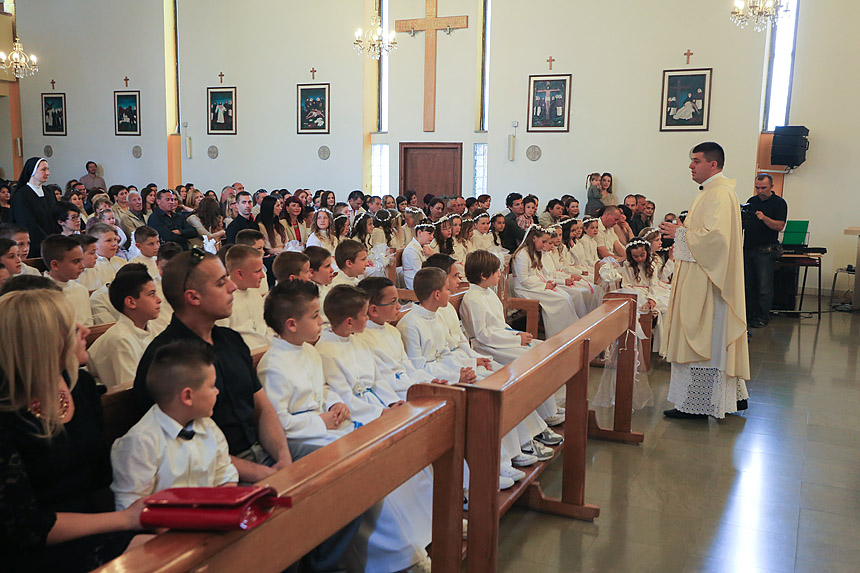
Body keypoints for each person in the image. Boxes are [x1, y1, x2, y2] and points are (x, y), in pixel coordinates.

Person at [0, 290, 142, 571]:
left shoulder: (80, 385)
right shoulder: (7, 416)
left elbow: (102, 476)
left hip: (99, 523)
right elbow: (26, 527)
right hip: (37, 549)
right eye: (72, 326)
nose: (85, 330)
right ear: (44, 342)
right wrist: (126, 521)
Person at [301, 283, 435, 572]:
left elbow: (377, 383)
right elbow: (344, 398)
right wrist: (379, 414)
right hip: (354, 420)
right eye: (364, 314)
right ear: (350, 320)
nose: (368, 320)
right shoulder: (325, 350)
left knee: (417, 457)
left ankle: (430, 529)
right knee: (389, 472)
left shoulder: (359, 341)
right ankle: (403, 552)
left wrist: (392, 404)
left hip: (376, 409)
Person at [132, 249, 292, 482]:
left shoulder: (231, 339)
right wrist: (264, 474)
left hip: (264, 454)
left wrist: (283, 458)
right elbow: (184, 445)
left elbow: (262, 406)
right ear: (193, 297)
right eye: (220, 283)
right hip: (211, 474)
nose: (232, 287)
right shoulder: (166, 359)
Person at [659, 142, 750, 420]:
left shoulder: (720, 194)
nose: (690, 165)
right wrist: (684, 232)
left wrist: (680, 233)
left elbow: (716, 240)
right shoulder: (711, 192)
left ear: (713, 164)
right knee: (710, 339)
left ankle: (697, 405)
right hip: (702, 276)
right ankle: (729, 397)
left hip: (708, 283)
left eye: (696, 161)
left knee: (706, 339)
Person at [111, 340, 238, 511]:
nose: (217, 391)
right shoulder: (141, 442)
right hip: (162, 529)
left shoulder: (208, 427)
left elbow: (225, 475)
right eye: (212, 386)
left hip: (208, 516)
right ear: (187, 396)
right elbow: (132, 507)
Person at [356, 276, 438, 400]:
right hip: (390, 396)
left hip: (408, 387)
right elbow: (384, 381)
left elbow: (409, 369)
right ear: (373, 310)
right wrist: (422, 388)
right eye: (393, 301)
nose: (399, 306)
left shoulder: (393, 331)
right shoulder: (362, 339)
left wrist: (431, 381)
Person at [87, 269, 161, 388]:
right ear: (131, 302)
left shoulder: (153, 328)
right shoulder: (120, 339)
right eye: (151, 294)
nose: (159, 299)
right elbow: (128, 390)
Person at [511, 225, 580, 338]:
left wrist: (549, 283)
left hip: (536, 286)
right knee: (560, 300)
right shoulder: (522, 255)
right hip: (525, 289)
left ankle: (568, 333)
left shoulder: (536, 253)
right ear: (534, 238)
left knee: (565, 296)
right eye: (543, 241)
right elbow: (524, 280)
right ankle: (557, 336)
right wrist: (544, 286)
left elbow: (542, 274)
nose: (544, 245)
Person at [743, 174, 788, 328]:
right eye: (757, 188)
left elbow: (780, 226)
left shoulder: (779, 203)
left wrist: (764, 218)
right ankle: (748, 315)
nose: (760, 191)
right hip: (748, 247)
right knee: (748, 285)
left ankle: (762, 317)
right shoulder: (752, 201)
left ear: (771, 187)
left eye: (763, 188)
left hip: (765, 250)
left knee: (764, 286)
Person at [216, 245, 271, 350]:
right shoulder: (221, 301)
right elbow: (224, 345)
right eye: (257, 271)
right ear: (239, 274)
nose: (263, 276)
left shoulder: (255, 294)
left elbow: (266, 328)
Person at [42, 234, 93, 326]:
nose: (82, 266)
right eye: (76, 261)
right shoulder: (40, 294)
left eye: (82, 260)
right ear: (55, 265)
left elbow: (89, 325)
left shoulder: (81, 289)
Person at [10, 157, 58, 247]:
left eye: (48, 169)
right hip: (34, 244)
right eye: (43, 170)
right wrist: (47, 241)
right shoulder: (21, 195)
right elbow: (27, 223)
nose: (48, 173)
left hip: (53, 243)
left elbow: (56, 216)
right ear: (32, 171)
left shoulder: (49, 192)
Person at [84, 223, 126, 290]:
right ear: (94, 244)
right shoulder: (91, 266)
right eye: (108, 240)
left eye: (115, 239)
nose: (114, 244)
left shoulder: (122, 262)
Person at [402, 222, 435, 289]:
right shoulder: (411, 250)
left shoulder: (426, 247)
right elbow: (421, 273)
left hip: (425, 281)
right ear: (419, 233)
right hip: (417, 286)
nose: (432, 237)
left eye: (433, 234)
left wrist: (432, 255)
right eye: (429, 234)